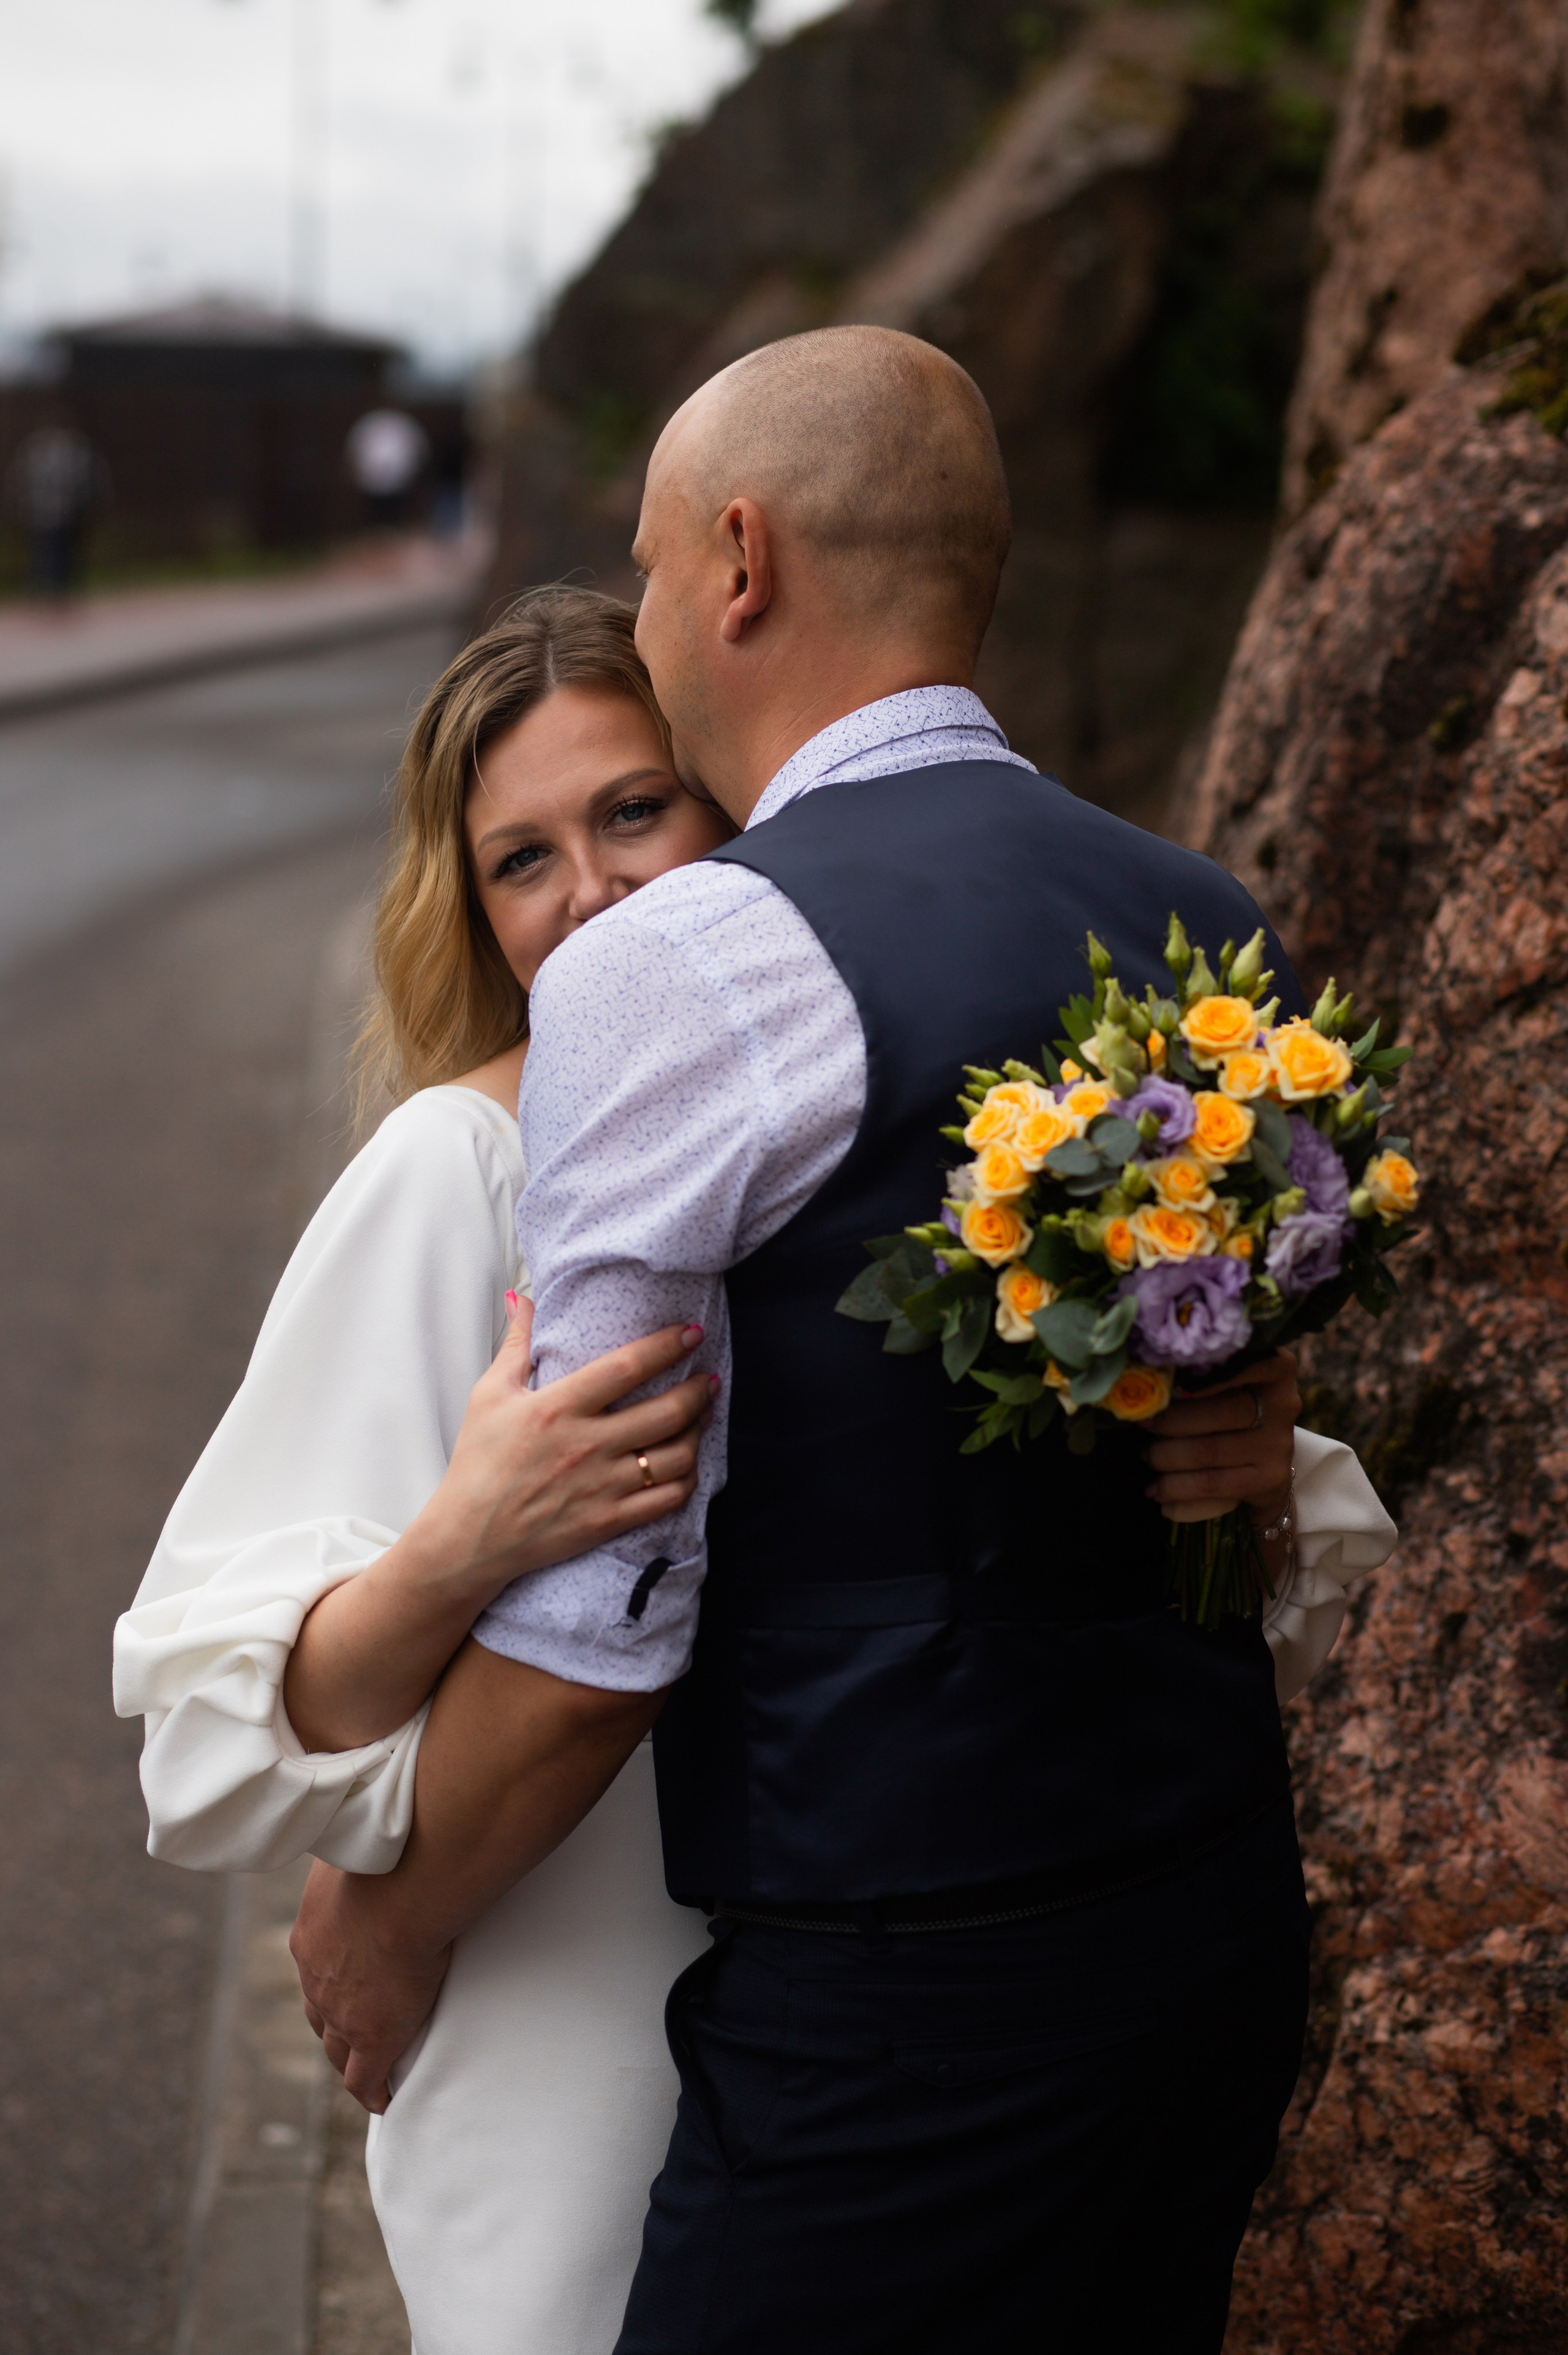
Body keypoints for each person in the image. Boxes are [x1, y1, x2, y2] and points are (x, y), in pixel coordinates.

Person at [287, 329, 1398, 2353]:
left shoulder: (681, 967)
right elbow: (1215, 1420)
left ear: (739, 562)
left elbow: (606, 1614)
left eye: (639, 565)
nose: (640, 609)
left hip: (896, 2008)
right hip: (1210, 1921)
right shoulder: (1195, 924)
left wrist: (394, 1909)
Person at [114, 591, 731, 2354]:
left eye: (634, 809)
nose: (592, 894)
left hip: (838, 1982)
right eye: (522, 858)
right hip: (559, 2000)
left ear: (729, 803)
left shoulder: (841, 1114)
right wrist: (459, 1544)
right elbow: (221, 1731)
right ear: (474, 908)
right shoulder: (451, 1169)